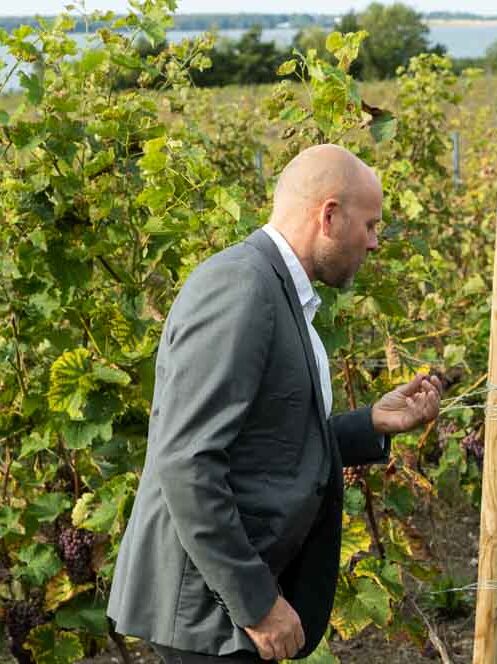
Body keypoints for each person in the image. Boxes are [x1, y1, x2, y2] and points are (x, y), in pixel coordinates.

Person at [107, 144, 442, 662]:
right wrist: (258, 604)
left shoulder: (279, 290)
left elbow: (263, 437)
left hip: (223, 601)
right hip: (208, 607)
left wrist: (370, 424)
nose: (376, 243)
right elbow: (186, 460)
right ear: (329, 216)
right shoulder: (241, 287)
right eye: (370, 225)